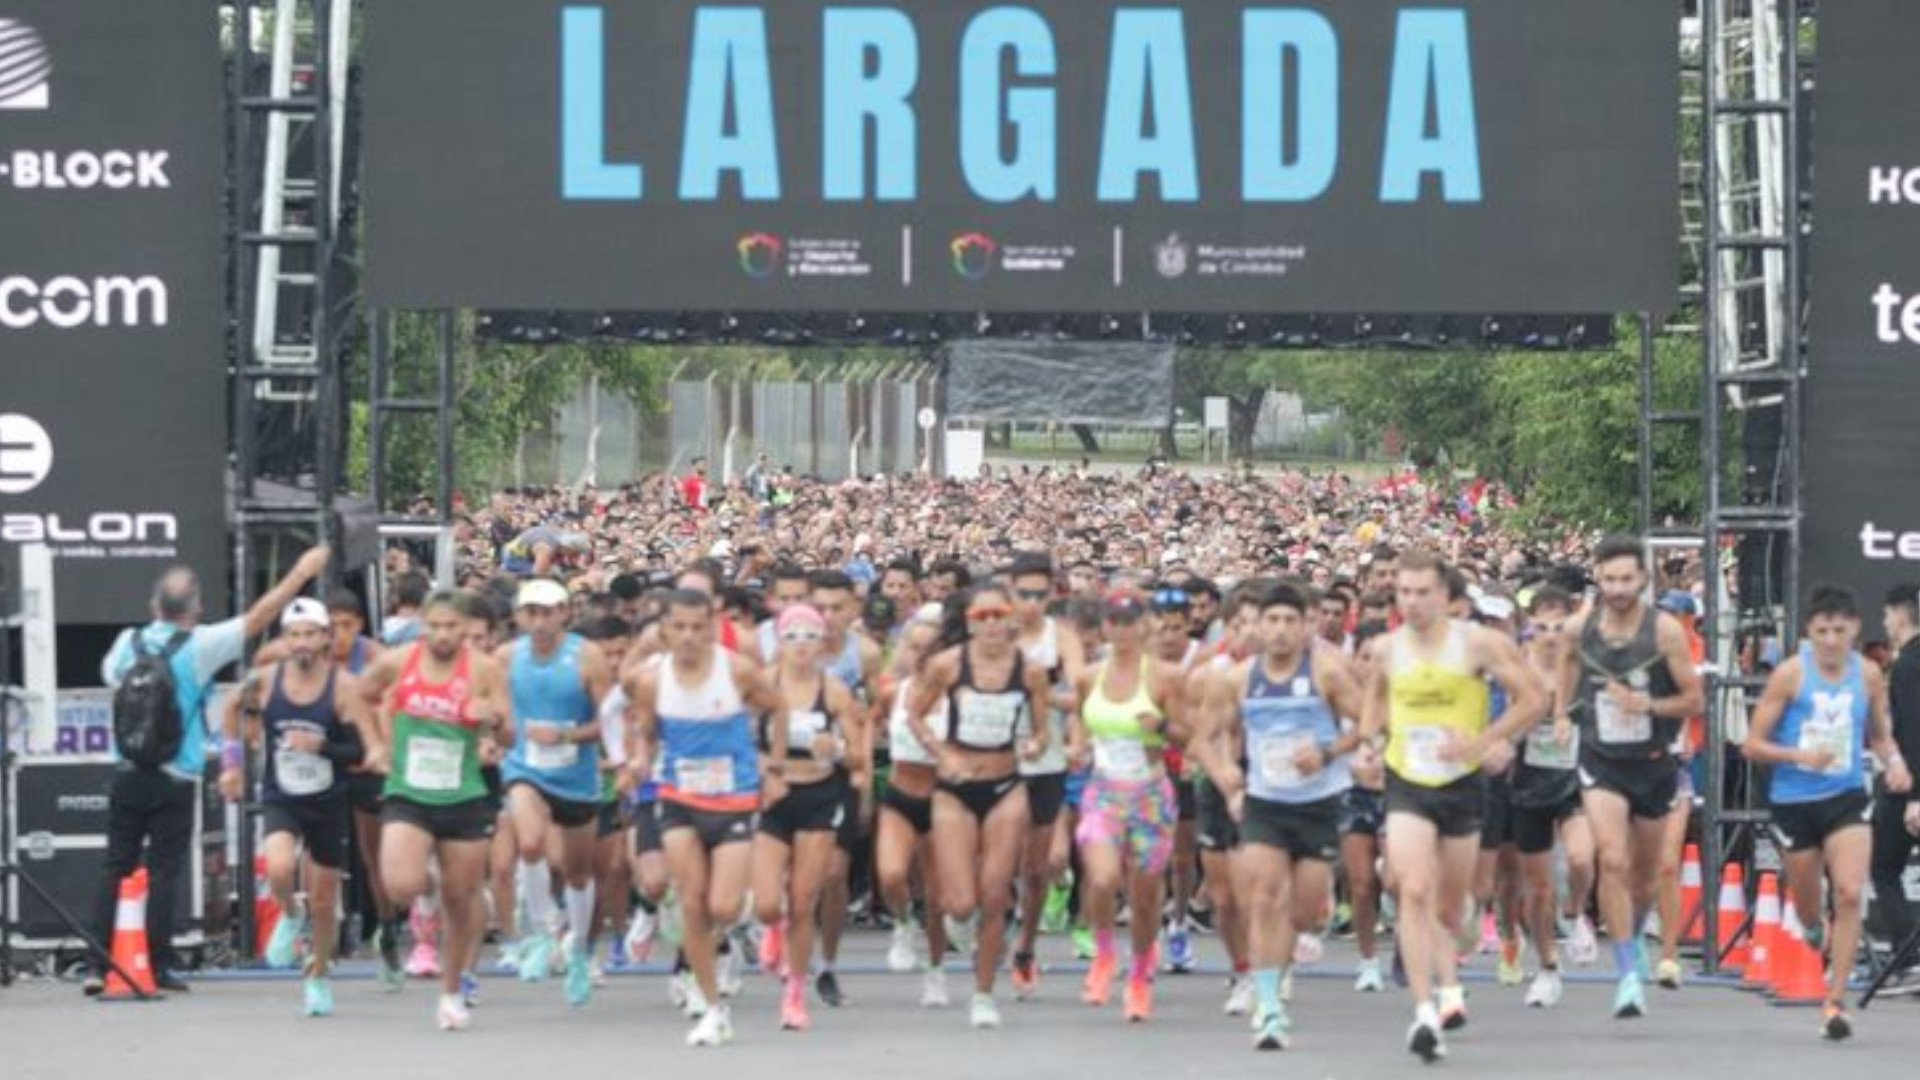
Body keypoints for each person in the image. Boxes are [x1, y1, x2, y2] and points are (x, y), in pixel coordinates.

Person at [86, 545, 331, 996]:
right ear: (195, 609)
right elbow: (258, 618)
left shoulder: (126, 643)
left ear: (154, 606)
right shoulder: (199, 645)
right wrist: (300, 573)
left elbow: (110, 677)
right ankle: (156, 965)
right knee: (163, 869)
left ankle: (98, 961)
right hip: (176, 774)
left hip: (125, 770)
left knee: (115, 863)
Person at [1360, 549, 1545, 1062]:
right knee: (1413, 888)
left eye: (1424, 592)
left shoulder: (1479, 644)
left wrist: (1484, 740)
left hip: (1462, 784)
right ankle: (1425, 1012)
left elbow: (1533, 700)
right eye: (1405, 592)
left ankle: (1450, 982)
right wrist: (1370, 748)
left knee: (1451, 906)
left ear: (1445, 596)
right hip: (1407, 781)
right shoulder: (1386, 649)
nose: (1414, 602)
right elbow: (1372, 707)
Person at [1197, 583, 1365, 1050]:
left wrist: (1330, 752)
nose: (1279, 631)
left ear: (1304, 626)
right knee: (1265, 896)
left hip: (1318, 803)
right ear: (1258, 626)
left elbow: (1370, 721)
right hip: (1264, 803)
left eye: (1290, 621)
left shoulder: (1326, 673)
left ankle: (1282, 968)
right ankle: (1269, 1006)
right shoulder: (1236, 678)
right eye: (1271, 621)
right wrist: (1227, 773)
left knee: (1305, 910)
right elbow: (1203, 738)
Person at [1742, 585, 1913, 1040]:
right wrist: (1799, 755)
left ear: (1855, 630)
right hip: (1795, 799)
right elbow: (1752, 744)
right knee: (1809, 902)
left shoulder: (1870, 675)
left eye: (1840, 630)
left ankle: (1836, 1001)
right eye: (1823, 631)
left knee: (1851, 891)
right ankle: (1813, 928)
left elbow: (1879, 734)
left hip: (1845, 795)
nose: (1832, 640)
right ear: (1809, 633)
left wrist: (1895, 764)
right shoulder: (1790, 676)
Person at [625, 589, 789, 1048]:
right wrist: (640, 760)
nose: (689, 637)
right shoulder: (651, 681)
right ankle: (712, 1006)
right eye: (679, 627)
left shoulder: (735, 671)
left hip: (734, 798)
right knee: (692, 902)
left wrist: (773, 768)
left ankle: (745, 915)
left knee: (723, 906)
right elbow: (647, 733)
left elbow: (777, 708)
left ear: (713, 628)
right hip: (678, 797)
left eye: (699, 627)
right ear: (665, 630)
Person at [1558, 536, 1706, 1021]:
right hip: (1601, 759)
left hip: (1654, 760)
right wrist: (1562, 713)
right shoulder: (1581, 627)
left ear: (1643, 580)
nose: (1618, 588)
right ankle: (1624, 973)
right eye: (1609, 579)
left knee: (1645, 875)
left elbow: (1694, 701)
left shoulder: (1663, 632)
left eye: (1626, 579)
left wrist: (1648, 706)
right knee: (1613, 859)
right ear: (1597, 579)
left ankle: (1635, 931)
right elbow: (1565, 666)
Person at [357, 589, 515, 1031]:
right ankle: (423, 882)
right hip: (409, 789)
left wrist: (494, 722)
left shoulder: (485, 669)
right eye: (435, 626)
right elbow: (357, 694)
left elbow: (509, 737)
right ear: (423, 625)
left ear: (466, 629)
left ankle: (451, 991)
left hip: (463, 793)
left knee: (461, 900)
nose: (442, 635)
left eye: (452, 627)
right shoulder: (399, 661)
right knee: (401, 884)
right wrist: (376, 745)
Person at [217, 597, 376, 1016]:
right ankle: (290, 910)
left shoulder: (344, 687)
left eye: (310, 634)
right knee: (280, 868)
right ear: (284, 641)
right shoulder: (265, 680)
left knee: (326, 903)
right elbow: (231, 712)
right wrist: (232, 766)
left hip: (328, 800)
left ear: (325, 639)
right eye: (294, 635)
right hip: (282, 795)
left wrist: (322, 745)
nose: (302, 643)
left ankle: (318, 976)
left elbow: (359, 749)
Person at [905, 585, 1052, 1030]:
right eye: (982, 616)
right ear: (970, 621)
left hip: (1006, 785)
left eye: (998, 615)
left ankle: (984, 993)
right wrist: (941, 753)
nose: (991, 625)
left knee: (994, 893)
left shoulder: (1029, 672)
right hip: (955, 787)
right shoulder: (948, 665)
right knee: (960, 901)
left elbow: (1043, 729)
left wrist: (1034, 744)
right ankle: (960, 927)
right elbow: (915, 714)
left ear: (1010, 621)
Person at [1065, 590, 1187, 1023]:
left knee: (1145, 892)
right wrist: (1077, 744)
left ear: (1143, 626)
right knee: (1101, 877)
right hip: (1103, 790)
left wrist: (1163, 726)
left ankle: (1139, 975)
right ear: (1104, 627)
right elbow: (1079, 715)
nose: (1121, 630)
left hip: (1150, 794)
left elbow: (1188, 733)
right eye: (1113, 622)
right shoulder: (1089, 676)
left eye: (1129, 621)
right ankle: (1103, 954)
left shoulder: (1164, 677)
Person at [497, 578, 614, 1006]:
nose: (540, 622)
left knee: (579, 872)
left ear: (565, 612)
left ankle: (579, 948)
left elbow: (608, 721)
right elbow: (493, 708)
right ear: (519, 616)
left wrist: (569, 736)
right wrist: (496, 732)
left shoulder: (587, 657)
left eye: (549, 612)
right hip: (525, 766)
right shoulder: (507, 657)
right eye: (532, 612)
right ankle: (543, 930)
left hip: (576, 775)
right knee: (529, 842)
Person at [750, 603, 861, 1030]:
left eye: (809, 636)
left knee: (802, 900)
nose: (800, 645)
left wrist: (834, 749)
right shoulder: (762, 684)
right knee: (765, 903)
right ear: (778, 641)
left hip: (818, 794)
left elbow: (858, 754)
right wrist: (766, 770)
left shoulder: (833, 691)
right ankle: (771, 929)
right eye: (791, 636)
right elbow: (739, 741)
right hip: (774, 795)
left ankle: (795, 992)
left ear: (822, 643)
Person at [1508, 586, 1596, 1009]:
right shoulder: (1517, 668)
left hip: (1571, 777)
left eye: (1558, 627)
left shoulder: (1578, 665)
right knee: (1538, 889)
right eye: (1541, 627)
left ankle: (1578, 913)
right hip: (1528, 780)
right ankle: (1546, 967)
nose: (1549, 635)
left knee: (1581, 858)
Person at [1009, 554, 1082, 998]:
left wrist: (1043, 696)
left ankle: (1025, 948)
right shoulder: (994, 630)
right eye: (1024, 594)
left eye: (1041, 594)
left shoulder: (1062, 637)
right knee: (998, 860)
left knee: (1038, 868)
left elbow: (1078, 696)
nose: (1032, 603)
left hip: (1047, 759)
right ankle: (990, 929)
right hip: (998, 759)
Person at [875, 606, 953, 1005]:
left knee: (939, 898)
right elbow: (865, 727)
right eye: (914, 647)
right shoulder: (894, 693)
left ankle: (936, 970)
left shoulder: (959, 696)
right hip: (901, 793)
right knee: (891, 875)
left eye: (930, 648)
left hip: (944, 801)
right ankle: (903, 923)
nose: (921, 655)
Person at [1871, 584, 1920, 961]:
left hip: (1907, 785)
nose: (1885, 623)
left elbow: (1914, 730)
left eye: (1887, 615)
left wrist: (1915, 797)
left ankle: (1910, 956)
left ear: (1901, 616)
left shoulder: (1908, 666)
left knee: (1884, 870)